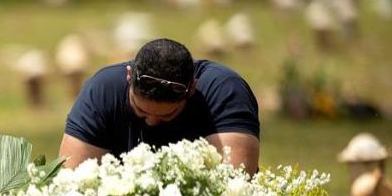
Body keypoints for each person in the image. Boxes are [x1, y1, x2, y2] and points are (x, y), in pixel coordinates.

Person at [59, 38, 260, 174]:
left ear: (191, 88)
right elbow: (71, 182)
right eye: (141, 111)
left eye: (167, 115)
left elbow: (236, 186)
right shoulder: (102, 90)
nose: (152, 122)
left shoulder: (224, 91)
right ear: (129, 76)